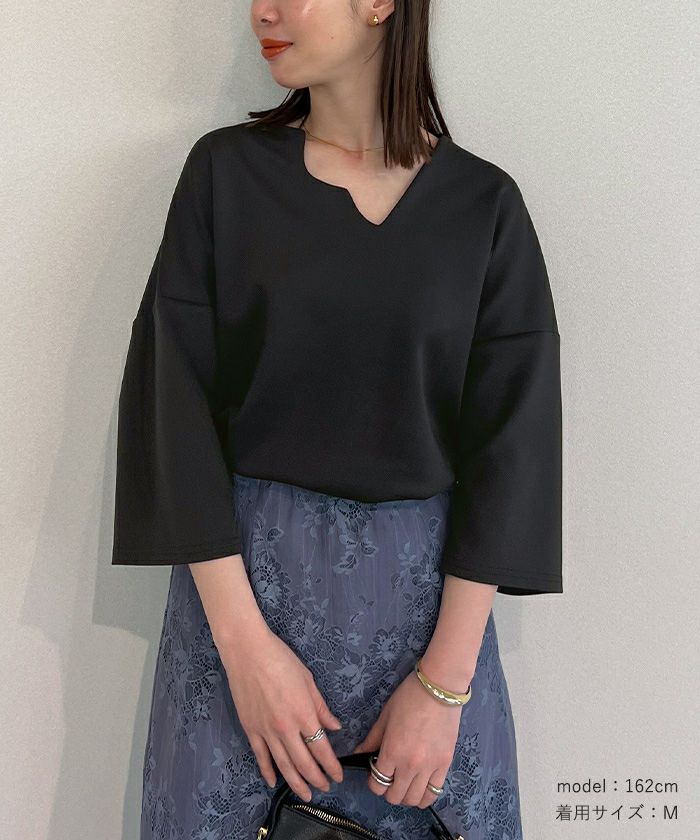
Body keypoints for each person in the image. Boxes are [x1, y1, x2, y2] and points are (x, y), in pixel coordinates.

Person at [111, 2, 563, 838]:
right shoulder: (225, 176)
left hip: (427, 638)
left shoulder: (484, 206)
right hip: (241, 617)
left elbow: (514, 452)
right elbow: (171, 406)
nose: (263, 10)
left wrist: (443, 688)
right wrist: (245, 653)